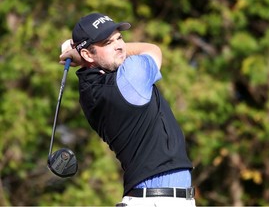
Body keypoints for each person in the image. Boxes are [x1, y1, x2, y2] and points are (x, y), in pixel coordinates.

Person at [59, 12, 196, 207]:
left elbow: (108, 58)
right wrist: (80, 55)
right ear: (88, 54)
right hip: (157, 201)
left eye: (120, 38)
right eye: (107, 42)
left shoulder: (89, 90)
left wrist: (84, 55)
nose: (120, 46)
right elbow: (152, 49)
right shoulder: (129, 80)